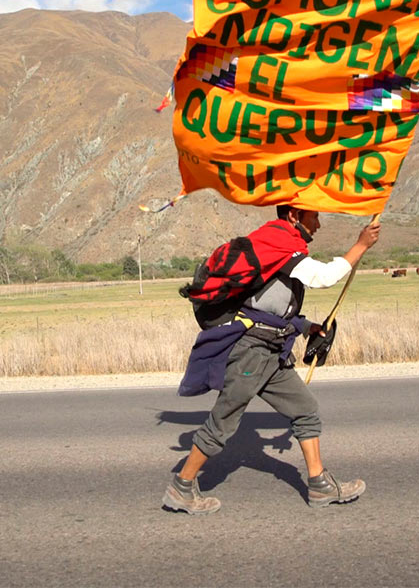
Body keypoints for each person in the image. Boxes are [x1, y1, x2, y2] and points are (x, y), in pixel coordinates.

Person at [163, 206, 381, 515]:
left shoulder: (283, 246)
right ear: (294, 215)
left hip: (270, 351)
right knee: (223, 423)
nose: (318, 224)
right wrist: (361, 245)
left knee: (305, 409)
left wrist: (307, 327)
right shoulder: (278, 243)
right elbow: (323, 278)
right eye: (313, 216)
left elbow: (273, 307)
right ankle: (182, 487)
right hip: (251, 351)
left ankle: (319, 485)